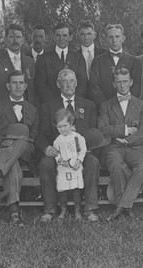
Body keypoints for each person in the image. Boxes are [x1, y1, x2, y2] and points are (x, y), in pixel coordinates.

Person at [36, 69, 100, 223]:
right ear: (58, 84)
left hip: (80, 152)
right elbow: (41, 134)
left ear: (76, 83)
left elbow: (94, 132)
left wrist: (84, 149)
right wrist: (46, 148)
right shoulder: (48, 106)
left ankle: (90, 209)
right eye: (65, 81)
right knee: (45, 163)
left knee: (93, 162)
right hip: (58, 152)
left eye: (72, 81)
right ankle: (50, 210)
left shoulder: (88, 105)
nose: (69, 84)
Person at [0, 70, 38, 226]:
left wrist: (20, 141)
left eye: (21, 83)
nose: (18, 86)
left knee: (21, 141)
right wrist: (1, 142)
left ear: (26, 86)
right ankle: (15, 214)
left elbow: (34, 137)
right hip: (2, 150)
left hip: (25, 150)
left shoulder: (33, 109)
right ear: (8, 86)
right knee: (13, 165)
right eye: (14, 83)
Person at [98, 68, 143, 220]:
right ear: (114, 84)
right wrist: (126, 130)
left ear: (131, 82)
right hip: (114, 147)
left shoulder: (141, 105)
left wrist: (127, 140)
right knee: (117, 166)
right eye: (119, 82)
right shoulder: (106, 105)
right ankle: (127, 207)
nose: (122, 86)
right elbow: (103, 129)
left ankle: (121, 206)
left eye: (125, 82)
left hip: (135, 146)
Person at [0, 24, 37, 110]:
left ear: (23, 40)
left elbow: (33, 91)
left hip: (26, 114)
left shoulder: (29, 62)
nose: (15, 40)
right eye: (11, 37)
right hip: (2, 114)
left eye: (18, 37)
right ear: (5, 39)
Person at [89, 24, 142, 107]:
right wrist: (105, 106)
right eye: (111, 37)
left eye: (117, 37)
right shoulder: (98, 61)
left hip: (127, 107)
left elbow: (136, 86)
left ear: (123, 38)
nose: (114, 40)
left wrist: (125, 104)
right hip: (104, 108)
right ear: (106, 39)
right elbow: (94, 87)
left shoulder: (133, 61)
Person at [35, 22, 88, 104]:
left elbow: (82, 84)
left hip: (74, 105)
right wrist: (55, 104)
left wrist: (72, 102)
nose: (61, 38)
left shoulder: (78, 58)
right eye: (58, 35)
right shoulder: (44, 59)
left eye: (64, 35)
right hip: (52, 106)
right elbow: (41, 85)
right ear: (54, 37)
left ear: (70, 37)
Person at [52, 109, 87, 220]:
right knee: (63, 190)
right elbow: (56, 153)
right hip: (63, 169)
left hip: (75, 167)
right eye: (59, 127)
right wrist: (59, 160)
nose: (62, 129)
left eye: (65, 126)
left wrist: (79, 160)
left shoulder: (77, 137)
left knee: (76, 189)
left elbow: (82, 150)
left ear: (71, 123)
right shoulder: (57, 140)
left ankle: (77, 211)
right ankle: (63, 210)